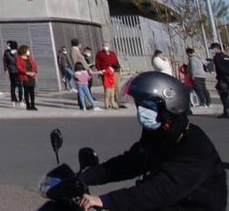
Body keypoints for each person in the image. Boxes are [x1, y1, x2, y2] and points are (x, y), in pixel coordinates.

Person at [77, 71, 227, 210]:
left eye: (148, 106)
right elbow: (132, 161)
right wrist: (86, 177)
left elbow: (160, 190)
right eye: (139, 106)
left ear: (169, 107)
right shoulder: (159, 132)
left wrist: (105, 200)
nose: (142, 112)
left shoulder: (194, 145)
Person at [94, 42, 122, 107]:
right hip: (106, 73)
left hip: (114, 72)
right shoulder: (100, 53)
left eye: (107, 45)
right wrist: (100, 71)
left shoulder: (113, 53)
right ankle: (108, 103)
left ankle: (116, 101)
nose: (106, 47)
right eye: (104, 45)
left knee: (116, 87)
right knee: (108, 88)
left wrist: (118, 70)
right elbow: (97, 63)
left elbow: (116, 62)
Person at [210, 42, 229, 118]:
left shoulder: (217, 57)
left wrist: (220, 78)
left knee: (224, 96)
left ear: (216, 49)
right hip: (227, 77)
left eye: (212, 49)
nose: (212, 51)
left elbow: (220, 69)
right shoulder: (226, 56)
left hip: (223, 79)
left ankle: (227, 112)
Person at [16, 44, 38, 110]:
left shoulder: (29, 57)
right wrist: (27, 73)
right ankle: (28, 105)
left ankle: (33, 104)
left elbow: (34, 65)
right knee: (26, 91)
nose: (28, 51)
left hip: (32, 76)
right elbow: (19, 67)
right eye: (27, 50)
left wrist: (34, 72)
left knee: (32, 91)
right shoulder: (18, 58)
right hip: (25, 76)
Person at [3, 40, 21, 107]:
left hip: (11, 70)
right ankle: (20, 100)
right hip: (18, 71)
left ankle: (13, 100)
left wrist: (6, 69)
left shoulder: (6, 52)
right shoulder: (18, 52)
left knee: (13, 85)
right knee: (19, 85)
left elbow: (5, 61)